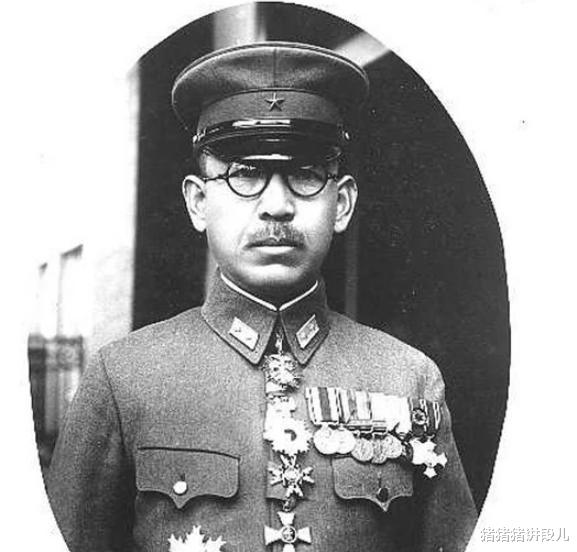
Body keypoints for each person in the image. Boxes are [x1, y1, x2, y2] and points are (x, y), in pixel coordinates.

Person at [47, 41, 478, 552]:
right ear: (198, 202)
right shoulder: (123, 379)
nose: (277, 205)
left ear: (341, 204)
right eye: (245, 174)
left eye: (306, 174)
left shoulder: (408, 378)